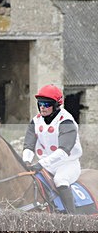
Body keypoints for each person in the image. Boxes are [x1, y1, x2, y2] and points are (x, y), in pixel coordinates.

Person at [22, 84, 82, 214]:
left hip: (67, 164)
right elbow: (28, 146)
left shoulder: (66, 122)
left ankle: (72, 217)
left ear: (56, 105)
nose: (42, 107)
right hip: (47, 165)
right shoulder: (35, 121)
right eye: (40, 103)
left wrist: (41, 164)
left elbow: (63, 151)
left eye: (46, 104)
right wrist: (26, 161)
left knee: (60, 180)